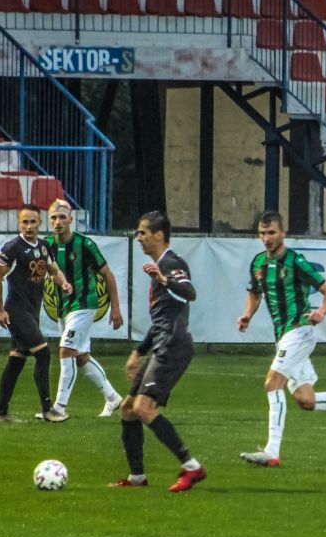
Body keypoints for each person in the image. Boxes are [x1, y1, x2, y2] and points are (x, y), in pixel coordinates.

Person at [237, 212, 326, 467]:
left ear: (283, 233)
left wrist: (321, 312)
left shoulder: (296, 261)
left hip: (300, 331)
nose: (266, 238)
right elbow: (255, 293)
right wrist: (247, 315)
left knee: (272, 384)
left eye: (271, 233)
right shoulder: (258, 263)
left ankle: (271, 451)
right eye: (262, 233)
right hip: (283, 336)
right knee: (306, 400)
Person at [108, 211, 207, 493]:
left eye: (143, 232)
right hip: (163, 342)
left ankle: (192, 466)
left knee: (143, 408)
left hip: (174, 345)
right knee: (128, 409)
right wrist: (139, 351)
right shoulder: (161, 266)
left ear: (159, 235)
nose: (138, 237)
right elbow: (162, 318)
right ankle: (137, 477)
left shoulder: (171, 263)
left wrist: (164, 280)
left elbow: (189, 292)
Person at [41, 199, 125, 420]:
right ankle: (113, 397)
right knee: (80, 357)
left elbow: (108, 275)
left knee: (66, 350)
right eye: (53, 218)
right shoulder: (46, 245)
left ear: (70, 219)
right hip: (63, 307)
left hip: (85, 304)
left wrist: (115, 308)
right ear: (49, 220)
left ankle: (59, 408)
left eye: (62, 217)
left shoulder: (85, 244)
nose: (58, 222)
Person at [0, 205, 72, 423]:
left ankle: (1, 413)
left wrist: (64, 283)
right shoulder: (13, 248)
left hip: (32, 310)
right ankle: (48, 410)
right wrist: (0, 309)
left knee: (16, 361)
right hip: (16, 310)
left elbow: (53, 270)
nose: (28, 226)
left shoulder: (44, 246)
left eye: (32, 222)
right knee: (43, 354)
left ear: (40, 223)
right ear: (19, 224)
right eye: (24, 222)